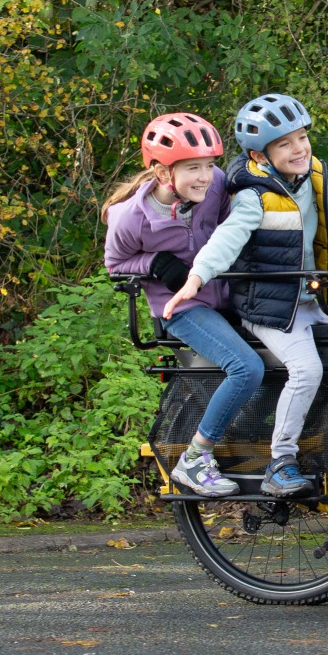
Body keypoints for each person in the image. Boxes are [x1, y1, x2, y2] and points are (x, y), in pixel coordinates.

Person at [162, 94, 328, 498]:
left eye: (302, 137)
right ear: (261, 155)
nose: (299, 149)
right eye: (285, 144)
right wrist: (196, 278)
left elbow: (314, 222)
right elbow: (228, 238)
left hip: (305, 302)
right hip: (269, 308)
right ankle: (281, 462)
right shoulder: (253, 196)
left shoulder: (304, 180)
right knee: (307, 370)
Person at [103, 113, 260, 498]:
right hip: (183, 310)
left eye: (209, 165)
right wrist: (153, 264)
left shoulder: (217, 185)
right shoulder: (131, 218)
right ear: (161, 173)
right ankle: (195, 458)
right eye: (193, 168)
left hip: (228, 295)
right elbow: (115, 265)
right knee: (245, 368)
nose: (205, 177)